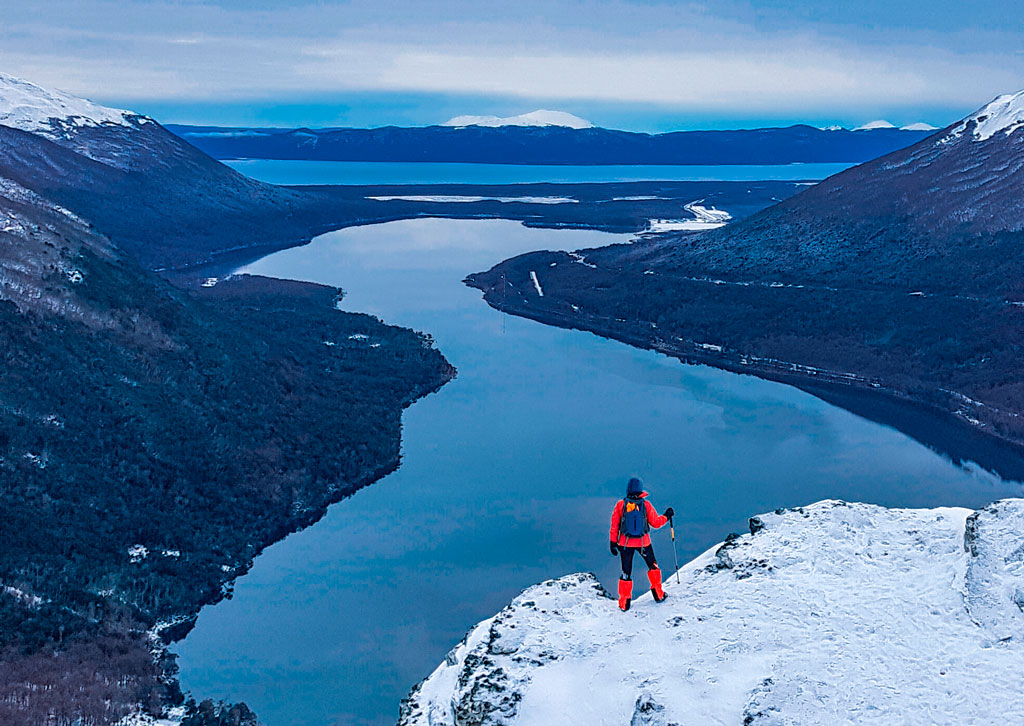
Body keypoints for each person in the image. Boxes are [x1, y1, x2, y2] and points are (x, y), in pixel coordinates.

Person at [609, 477, 674, 611]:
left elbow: (615, 525)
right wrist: (667, 516)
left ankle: (624, 602)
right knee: (653, 566)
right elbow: (655, 523)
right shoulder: (645, 505)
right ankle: (658, 594)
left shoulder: (621, 505)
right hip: (643, 542)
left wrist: (613, 542)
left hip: (625, 543)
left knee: (626, 572)